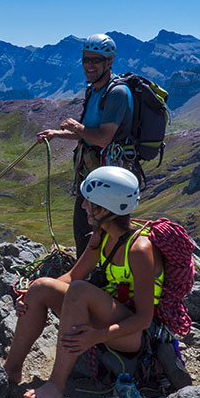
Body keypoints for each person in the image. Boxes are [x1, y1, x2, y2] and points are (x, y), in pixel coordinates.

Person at [2, 166, 167, 398]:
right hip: (110, 316)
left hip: (134, 335)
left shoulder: (139, 250)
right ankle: (11, 369)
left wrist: (97, 336)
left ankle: (56, 386)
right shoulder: (101, 234)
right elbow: (74, 274)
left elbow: (144, 319)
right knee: (40, 287)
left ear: (103, 208)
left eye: (87, 202)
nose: (82, 207)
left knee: (79, 290)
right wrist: (32, 295)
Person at [36, 33, 132, 258]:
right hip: (94, 171)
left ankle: (92, 280)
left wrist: (74, 127)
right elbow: (90, 135)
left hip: (109, 176)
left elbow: (102, 138)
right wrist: (57, 134)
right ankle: (90, 277)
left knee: (96, 228)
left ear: (109, 62)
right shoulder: (95, 89)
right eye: (85, 59)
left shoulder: (116, 93)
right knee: (85, 228)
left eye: (95, 60)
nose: (89, 65)